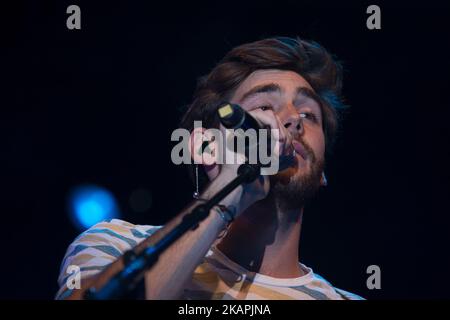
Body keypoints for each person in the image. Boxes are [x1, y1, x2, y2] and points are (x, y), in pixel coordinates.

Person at [56, 36, 363, 300]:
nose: (291, 118)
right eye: (264, 108)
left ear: (322, 172)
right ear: (207, 147)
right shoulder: (118, 245)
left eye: (309, 115)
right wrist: (229, 190)